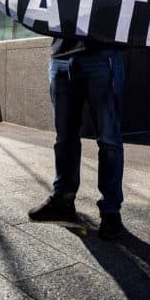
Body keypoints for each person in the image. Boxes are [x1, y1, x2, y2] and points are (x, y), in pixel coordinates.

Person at [28, 37, 127, 239]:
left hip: (102, 51)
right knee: (65, 137)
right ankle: (63, 200)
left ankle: (110, 212)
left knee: (109, 139)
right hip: (62, 55)